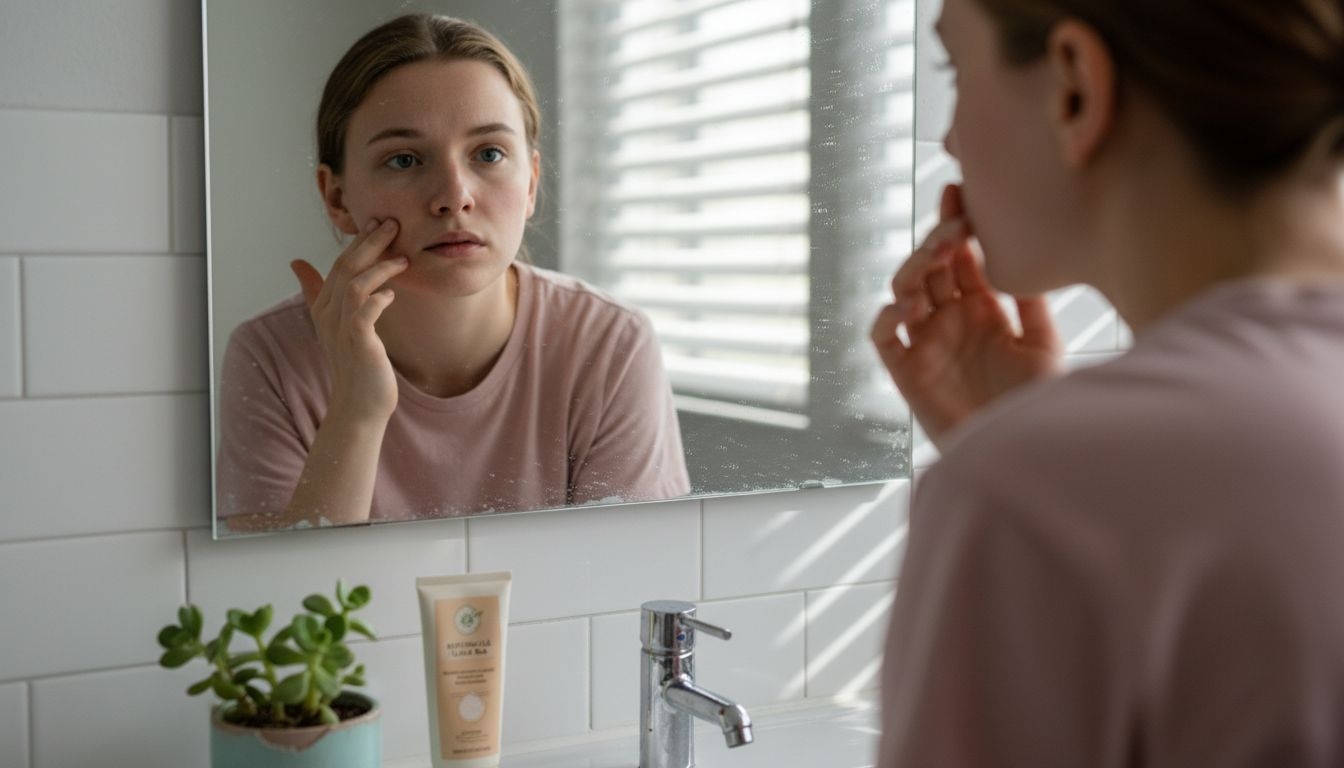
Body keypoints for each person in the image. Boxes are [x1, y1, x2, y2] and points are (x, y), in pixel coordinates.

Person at [871, 0, 1344, 764]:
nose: (950, 139)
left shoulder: (1029, 492)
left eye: (955, 69)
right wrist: (1027, 432)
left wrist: (1029, 468)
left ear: (1075, 87)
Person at [216, 14, 690, 531]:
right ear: (337, 197)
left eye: (489, 153)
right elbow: (285, 604)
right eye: (403, 160)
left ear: (530, 182)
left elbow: (625, 582)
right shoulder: (270, 358)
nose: (454, 197)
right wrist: (357, 410)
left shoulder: (609, 343)